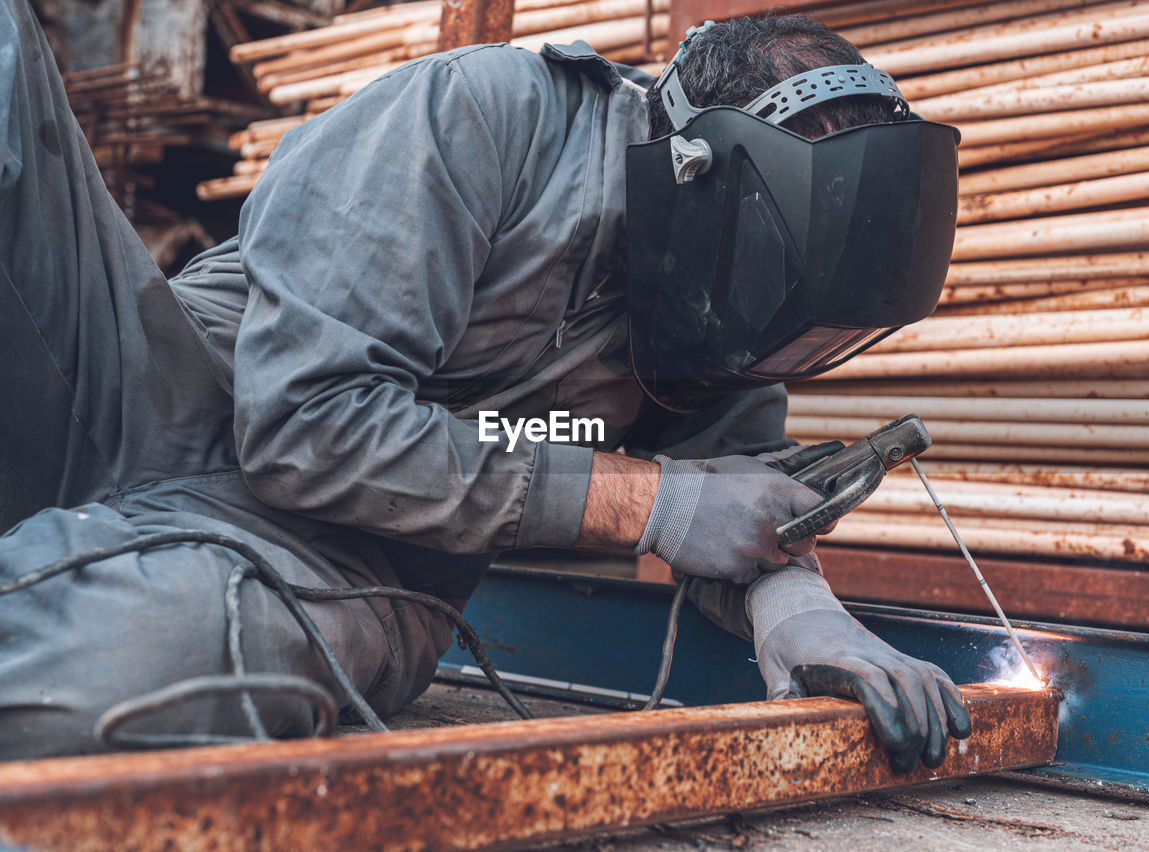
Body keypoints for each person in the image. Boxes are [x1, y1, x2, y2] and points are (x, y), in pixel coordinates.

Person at [0, 0, 970, 770]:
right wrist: (647, 502)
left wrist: (797, 612)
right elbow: (308, 420)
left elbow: (735, 491)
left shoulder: (725, 320)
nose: (771, 367)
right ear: (701, 184)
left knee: (115, 684)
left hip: (339, 575)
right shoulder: (484, 121)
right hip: (139, 397)